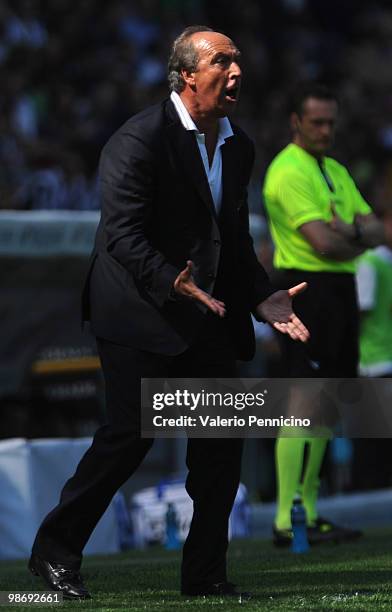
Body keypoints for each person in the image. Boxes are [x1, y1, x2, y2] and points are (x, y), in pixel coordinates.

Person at [28, 26, 309, 600]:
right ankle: (53, 554)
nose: (236, 72)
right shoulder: (138, 139)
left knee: (221, 440)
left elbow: (231, 235)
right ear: (186, 76)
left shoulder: (239, 144)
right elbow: (121, 234)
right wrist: (170, 280)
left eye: (238, 61)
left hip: (205, 309)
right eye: (222, 62)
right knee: (129, 436)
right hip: (135, 306)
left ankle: (204, 574)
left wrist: (261, 295)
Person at [263, 82, 385, 546]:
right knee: (304, 403)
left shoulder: (333, 167)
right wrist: (354, 232)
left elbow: (375, 227)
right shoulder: (287, 171)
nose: (325, 130)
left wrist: (351, 229)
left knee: (328, 403)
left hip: (338, 289)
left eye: (330, 122)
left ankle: (309, 512)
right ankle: (284, 518)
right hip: (304, 288)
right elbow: (323, 243)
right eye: (316, 122)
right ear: (295, 121)